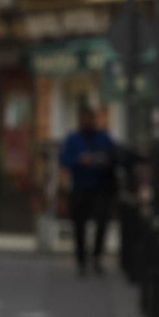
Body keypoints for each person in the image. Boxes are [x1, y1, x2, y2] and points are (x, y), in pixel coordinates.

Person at [59, 101, 123, 275]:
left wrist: (101, 160)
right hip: (80, 187)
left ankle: (96, 257)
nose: (88, 121)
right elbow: (64, 159)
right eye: (84, 118)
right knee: (79, 225)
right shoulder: (73, 138)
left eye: (90, 118)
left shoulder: (103, 137)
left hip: (101, 187)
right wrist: (80, 160)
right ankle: (81, 260)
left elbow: (114, 155)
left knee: (102, 222)